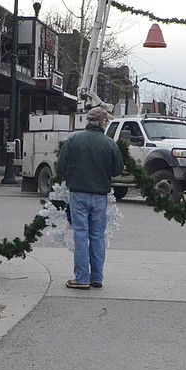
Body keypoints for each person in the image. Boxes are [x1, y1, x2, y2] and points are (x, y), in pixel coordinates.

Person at [58, 105, 124, 290]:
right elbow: (118, 169)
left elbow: (61, 166)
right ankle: (97, 277)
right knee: (97, 235)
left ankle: (81, 278)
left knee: (81, 234)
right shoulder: (110, 144)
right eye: (106, 121)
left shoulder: (73, 140)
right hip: (100, 195)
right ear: (102, 122)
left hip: (78, 193)